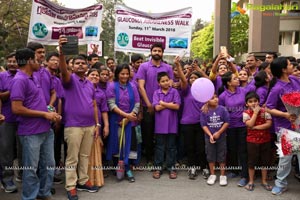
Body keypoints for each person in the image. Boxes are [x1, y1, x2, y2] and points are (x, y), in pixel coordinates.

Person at [10, 48, 60, 200]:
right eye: (37, 59)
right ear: (29, 61)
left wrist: (50, 112)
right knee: (31, 168)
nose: (41, 62)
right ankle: (29, 197)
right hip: (31, 132)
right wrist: (44, 114)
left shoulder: (33, 77)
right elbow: (16, 108)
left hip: (46, 129)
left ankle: (43, 193)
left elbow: (36, 102)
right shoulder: (20, 80)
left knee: (49, 164)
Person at [58, 36, 100, 200]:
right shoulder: (69, 80)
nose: (81, 65)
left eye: (83, 63)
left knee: (84, 156)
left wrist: (97, 124)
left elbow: (93, 104)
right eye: (77, 63)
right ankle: (71, 186)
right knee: (72, 157)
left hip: (89, 126)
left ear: (87, 65)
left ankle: (83, 181)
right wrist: (61, 52)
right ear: (72, 66)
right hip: (73, 126)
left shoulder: (90, 83)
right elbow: (62, 70)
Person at [265, 57, 300, 195]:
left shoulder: (296, 80)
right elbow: (268, 108)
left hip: (299, 124)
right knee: (286, 158)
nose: (293, 66)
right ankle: (280, 183)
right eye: (290, 64)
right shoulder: (277, 88)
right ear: (283, 70)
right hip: (286, 128)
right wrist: (285, 114)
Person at [136, 43, 174, 165]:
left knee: (162, 134)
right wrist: (149, 105)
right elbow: (141, 87)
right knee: (148, 133)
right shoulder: (143, 66)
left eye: (159, 51)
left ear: (162, 53)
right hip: (149, 106)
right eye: (155, 50)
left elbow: (170, 86)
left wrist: (164, 105)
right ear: (151, 52)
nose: (157, 52)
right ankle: (149, 158)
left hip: (164, 107)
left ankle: (163, 159)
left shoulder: (168, 68)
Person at [218, 71, 254, 187]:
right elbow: (221, 112)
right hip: (230, 127)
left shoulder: (244, 91)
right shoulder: (223, 96)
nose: (238, 79)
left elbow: (252, 103)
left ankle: (244, 176)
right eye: (234, 78)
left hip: (243, 126)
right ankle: (234, 171)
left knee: (243, 151)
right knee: (232, 149)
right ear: (228, 82)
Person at [106, 64, 140, 182]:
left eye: (127, 73)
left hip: (130, 122)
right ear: (117, 74)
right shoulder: (111, 86)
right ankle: (119, 167)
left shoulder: (133, 86)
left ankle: (128, 168)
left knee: (129, 144)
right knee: (117, 143)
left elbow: (137, 103)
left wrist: (130, 117)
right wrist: (126, 116)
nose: (125, 76)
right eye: (122, 73)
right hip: (116, 121)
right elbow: (111, 104)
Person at [152, 72, 181, 179]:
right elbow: (156, 108)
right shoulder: (156, 93)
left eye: (167, 80)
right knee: (159, 147)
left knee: (171, 147)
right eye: (162, 81)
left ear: (170, 80)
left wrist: (163, 103)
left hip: (172, 125)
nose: (165, 83)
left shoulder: (174, 91)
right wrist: (170, 104)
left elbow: (177, 106)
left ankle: (171, 168)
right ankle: (158, 168)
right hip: (160, 126)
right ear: (158, 83)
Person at [243, 92, 272, 191]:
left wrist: (255, 127)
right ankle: (251, 181)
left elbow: (268, 124)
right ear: (246, 104)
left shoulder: (265, 111)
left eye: (255, 101)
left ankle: (264, 181)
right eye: (250, 102)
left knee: (265, 161)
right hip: (252, 141)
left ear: (259, 102)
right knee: (251, 162)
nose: (253, 103)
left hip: (265, 140)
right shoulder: (246, 113)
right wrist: (255, 113)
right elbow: (249, 124)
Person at [200, 94, 230, 186]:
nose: (215, 99)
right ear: (207, 101)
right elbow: (203, 125)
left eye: (216, 97)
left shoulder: (223, 109)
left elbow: (227, 122)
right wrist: (210, 135)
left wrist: (219, 133)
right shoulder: (204, 111)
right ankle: (212, 174)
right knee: (210, 155)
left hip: (221, 137)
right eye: (212, 98)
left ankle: (222, 176)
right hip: (209, 137)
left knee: (222, 155)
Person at [0, 52, 18, 193]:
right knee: (6, 151)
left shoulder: (24, 75)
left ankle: (24, 175)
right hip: (6, 119)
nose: (12, 63)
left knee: (24, 151)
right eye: (10, 61)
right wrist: (13, 89)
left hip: (24, 119)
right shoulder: (2, 76)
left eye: (15, 61)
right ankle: (7, 179)